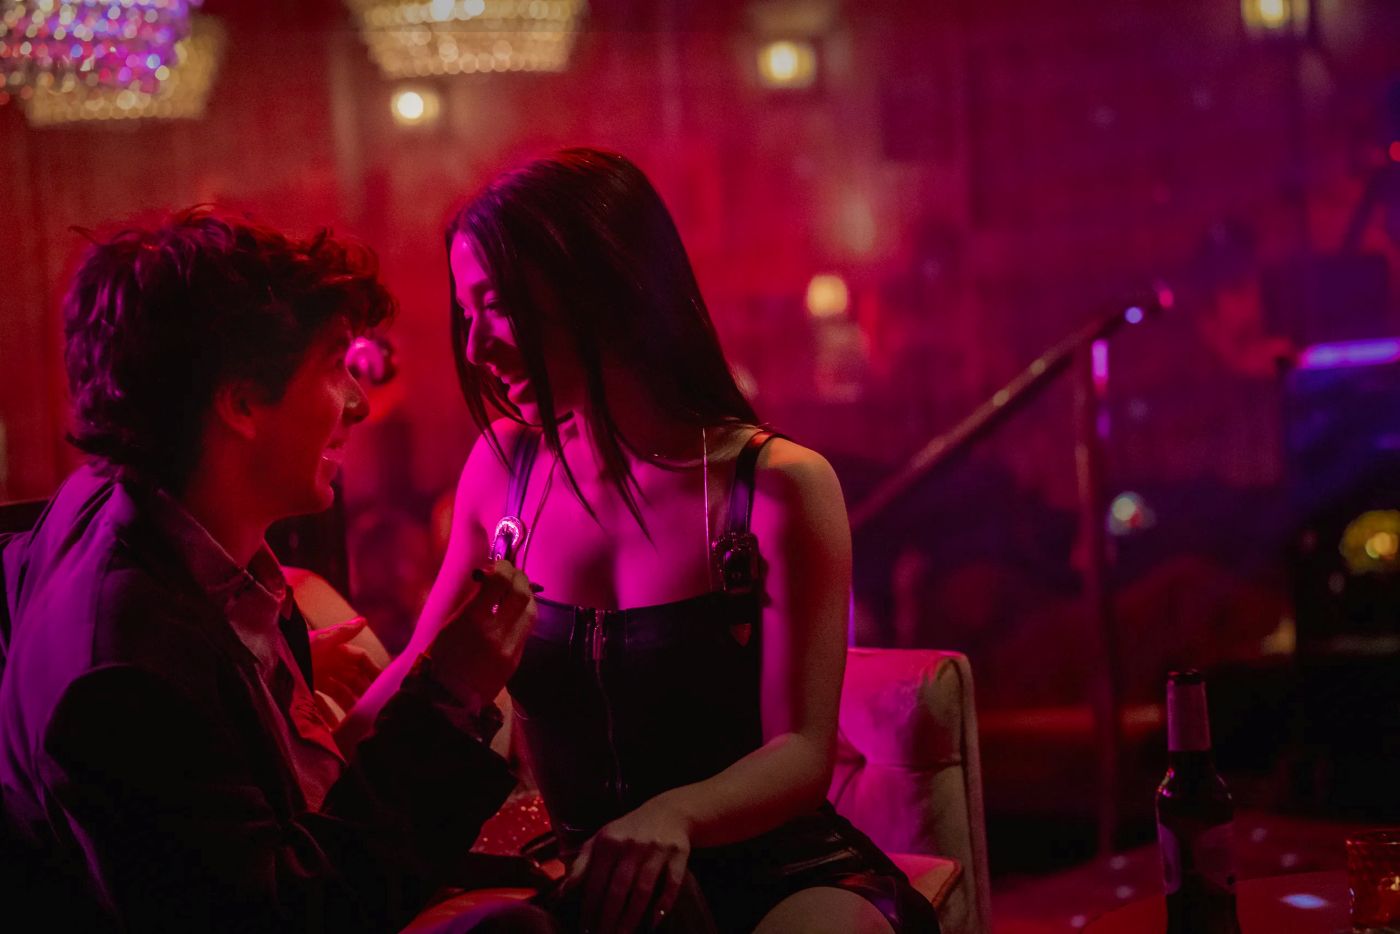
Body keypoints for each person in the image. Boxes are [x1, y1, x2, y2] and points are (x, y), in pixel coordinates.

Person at [0, 210, 553, 933]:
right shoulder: (131, 683)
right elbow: (296, 915)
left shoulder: (119, 508)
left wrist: (254, 683)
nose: (358, 402)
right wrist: (450, 700)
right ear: (240, 403)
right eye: (334, 366)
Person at [434, 148, 941, 933]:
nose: (475, 349)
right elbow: (422, 681)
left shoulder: (778, 485)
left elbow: (802, 753)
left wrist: (674, 814)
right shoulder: (506, 469)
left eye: (495, 306)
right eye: (465, 315)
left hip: (784, 873)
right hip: (606, 892)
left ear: (599, 282)